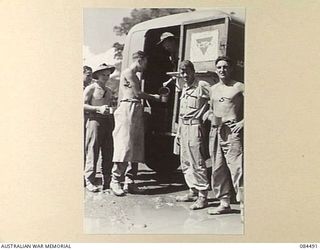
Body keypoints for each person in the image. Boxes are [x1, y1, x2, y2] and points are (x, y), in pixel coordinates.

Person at [110, 51, 160, 196]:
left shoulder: (135, 75)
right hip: (128, 109)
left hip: (136, 108)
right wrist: (155, 97)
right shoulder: (129, 73)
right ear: (140, 60)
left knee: (136, 145)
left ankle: (130, 181)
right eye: (145, 62)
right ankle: (115, 181)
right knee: (125, 145)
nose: (146, 66)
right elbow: (137, 93)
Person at [205, 56, 244, 215]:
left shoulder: (239, 87)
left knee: (237, 169)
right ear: (216, 69)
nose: (222, 70)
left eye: (225, 67)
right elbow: (210, 109)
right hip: (215, 131)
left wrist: (243, 122)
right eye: (219, 67)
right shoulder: (213, 89)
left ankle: (244, 206)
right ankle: (224, 202)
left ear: (231, 69)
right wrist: (208, 116)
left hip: (231, 132)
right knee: (217, 168)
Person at [174, 60, 210, 210]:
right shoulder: (184, 87)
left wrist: (206, 113)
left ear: (193, 71)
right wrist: (178, 132)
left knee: (197, 161)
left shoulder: (201, 85)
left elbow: (213, 99)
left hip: (195, 126)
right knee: (186, 161)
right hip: (183, 126)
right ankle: (192, 191)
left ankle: (203, 196)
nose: (184, 75)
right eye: (182, 72)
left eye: (187, 72)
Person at [83, 63, 115, 192]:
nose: (106, 77)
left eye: (108, 75)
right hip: (94, 121)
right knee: (92, 150)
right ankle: (89, 180)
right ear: (97, 75)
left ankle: (107, 181)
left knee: (108, 151)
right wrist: (97, 108)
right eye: (103, 75)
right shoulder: (91, 88)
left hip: (107, 122)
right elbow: (82, 105)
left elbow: (111, 105)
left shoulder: (109, 90)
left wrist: (111, 110)